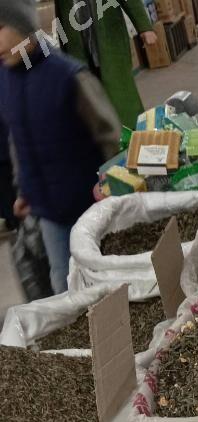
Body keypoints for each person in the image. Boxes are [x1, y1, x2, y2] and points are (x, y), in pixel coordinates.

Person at [0, 0, 121, 293]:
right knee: (63, 281)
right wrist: (23, 189)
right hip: (48, 213)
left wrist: (115, 192)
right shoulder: (8, 79)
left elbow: (110, 136)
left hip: (89, 206)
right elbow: (17, 138)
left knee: (103, 279)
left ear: (22, 26)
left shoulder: (68, 76)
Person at [55, 0, 158, 129]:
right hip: (78, 45)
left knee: (122, 93)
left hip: (109, 37)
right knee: (88, 99)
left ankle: (135, 131)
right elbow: (61, 12)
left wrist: (144, 27)